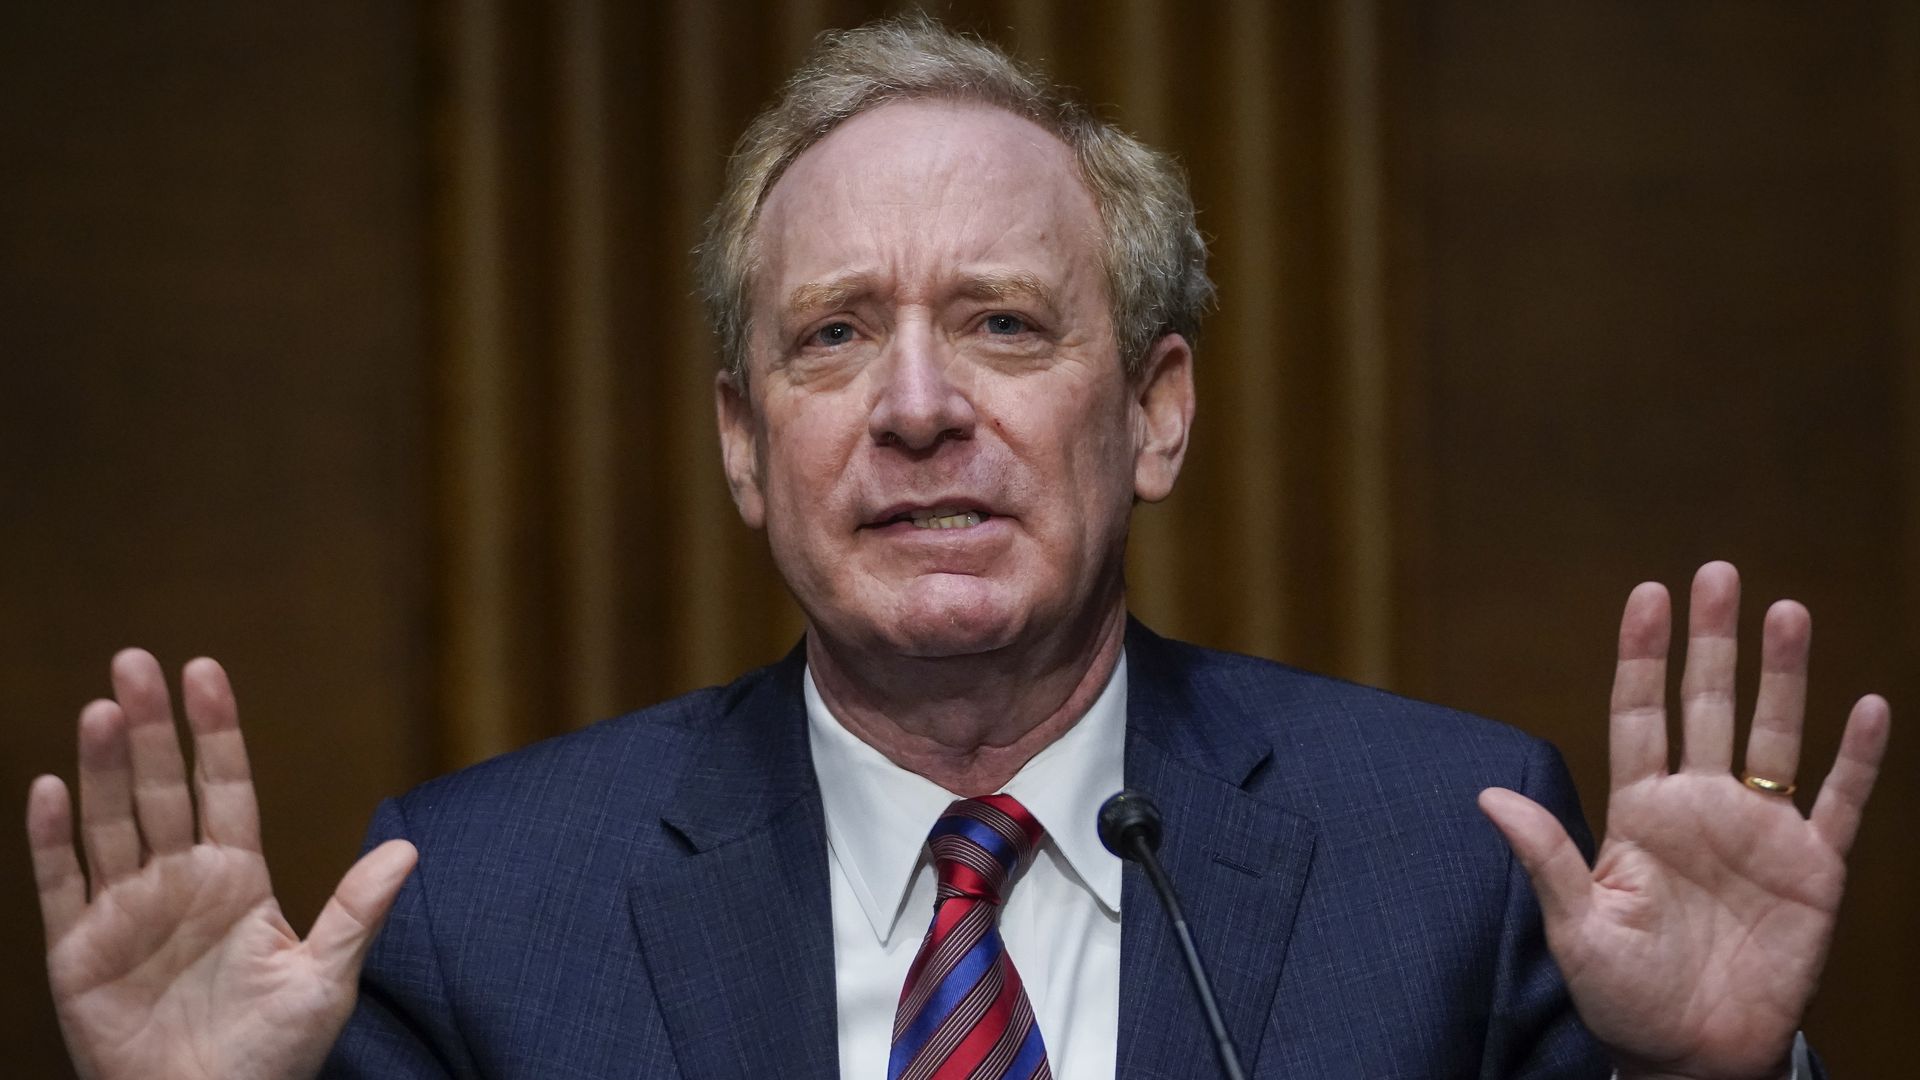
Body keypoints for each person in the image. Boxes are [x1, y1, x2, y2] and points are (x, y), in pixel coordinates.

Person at [27, 15, 1890, 1080]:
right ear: (746, 443)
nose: (918, 406)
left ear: (1155, 410)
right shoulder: (488, 911)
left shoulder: (1451, 863)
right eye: (836, 336)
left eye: (1002, 323)